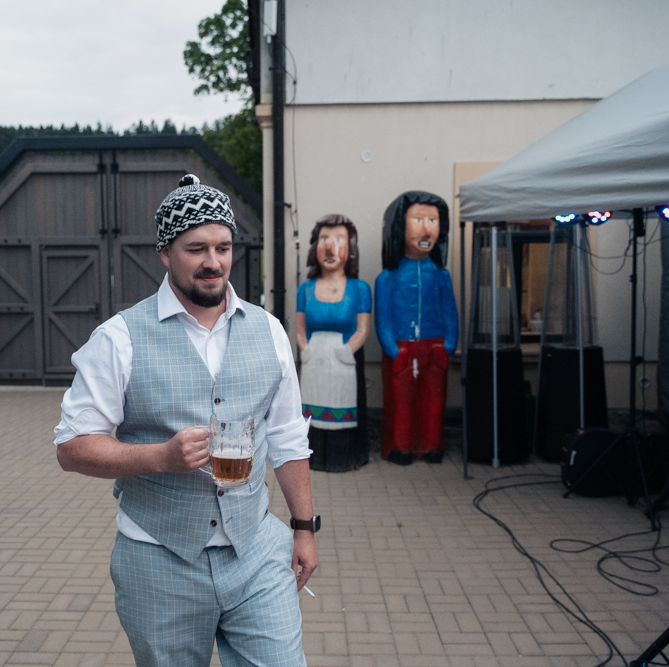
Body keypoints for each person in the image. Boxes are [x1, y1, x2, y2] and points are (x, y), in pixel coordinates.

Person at [55, 175, 318, 666]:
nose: (213, 262)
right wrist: (160, 456)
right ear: (165, 252)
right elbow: (72, 447)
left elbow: (286, 436)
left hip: (256, 551)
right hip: (158, 560)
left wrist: (303, 528)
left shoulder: (269, 330)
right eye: (196, 248)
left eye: (223, 247)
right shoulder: (119, 338)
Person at [375, 192, 458, 465]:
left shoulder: (441, 275)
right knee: (402, 400)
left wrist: (448, 345)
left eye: (433, 220)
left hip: (435, 347)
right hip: (402, 348)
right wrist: (392, 349)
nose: (427, 229)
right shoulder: (388, 278)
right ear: (400, 226)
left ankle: (432, 445)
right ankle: (401, 446)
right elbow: (383, 319)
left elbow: (450, 312)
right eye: (419, 219)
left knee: (434, 400)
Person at [296, 214, 371, 471]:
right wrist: (306, 349)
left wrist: (347, 351)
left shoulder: (360, 289)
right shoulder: (305, 289)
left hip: (343, 362)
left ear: (351, 249)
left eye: (339, 240)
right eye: (324, 239)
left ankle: (342, 458)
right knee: (312, 410)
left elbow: (363, 329)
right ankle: (314, 457)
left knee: (342, 406)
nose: (330, 247)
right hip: (314, 362)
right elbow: (299, 329)